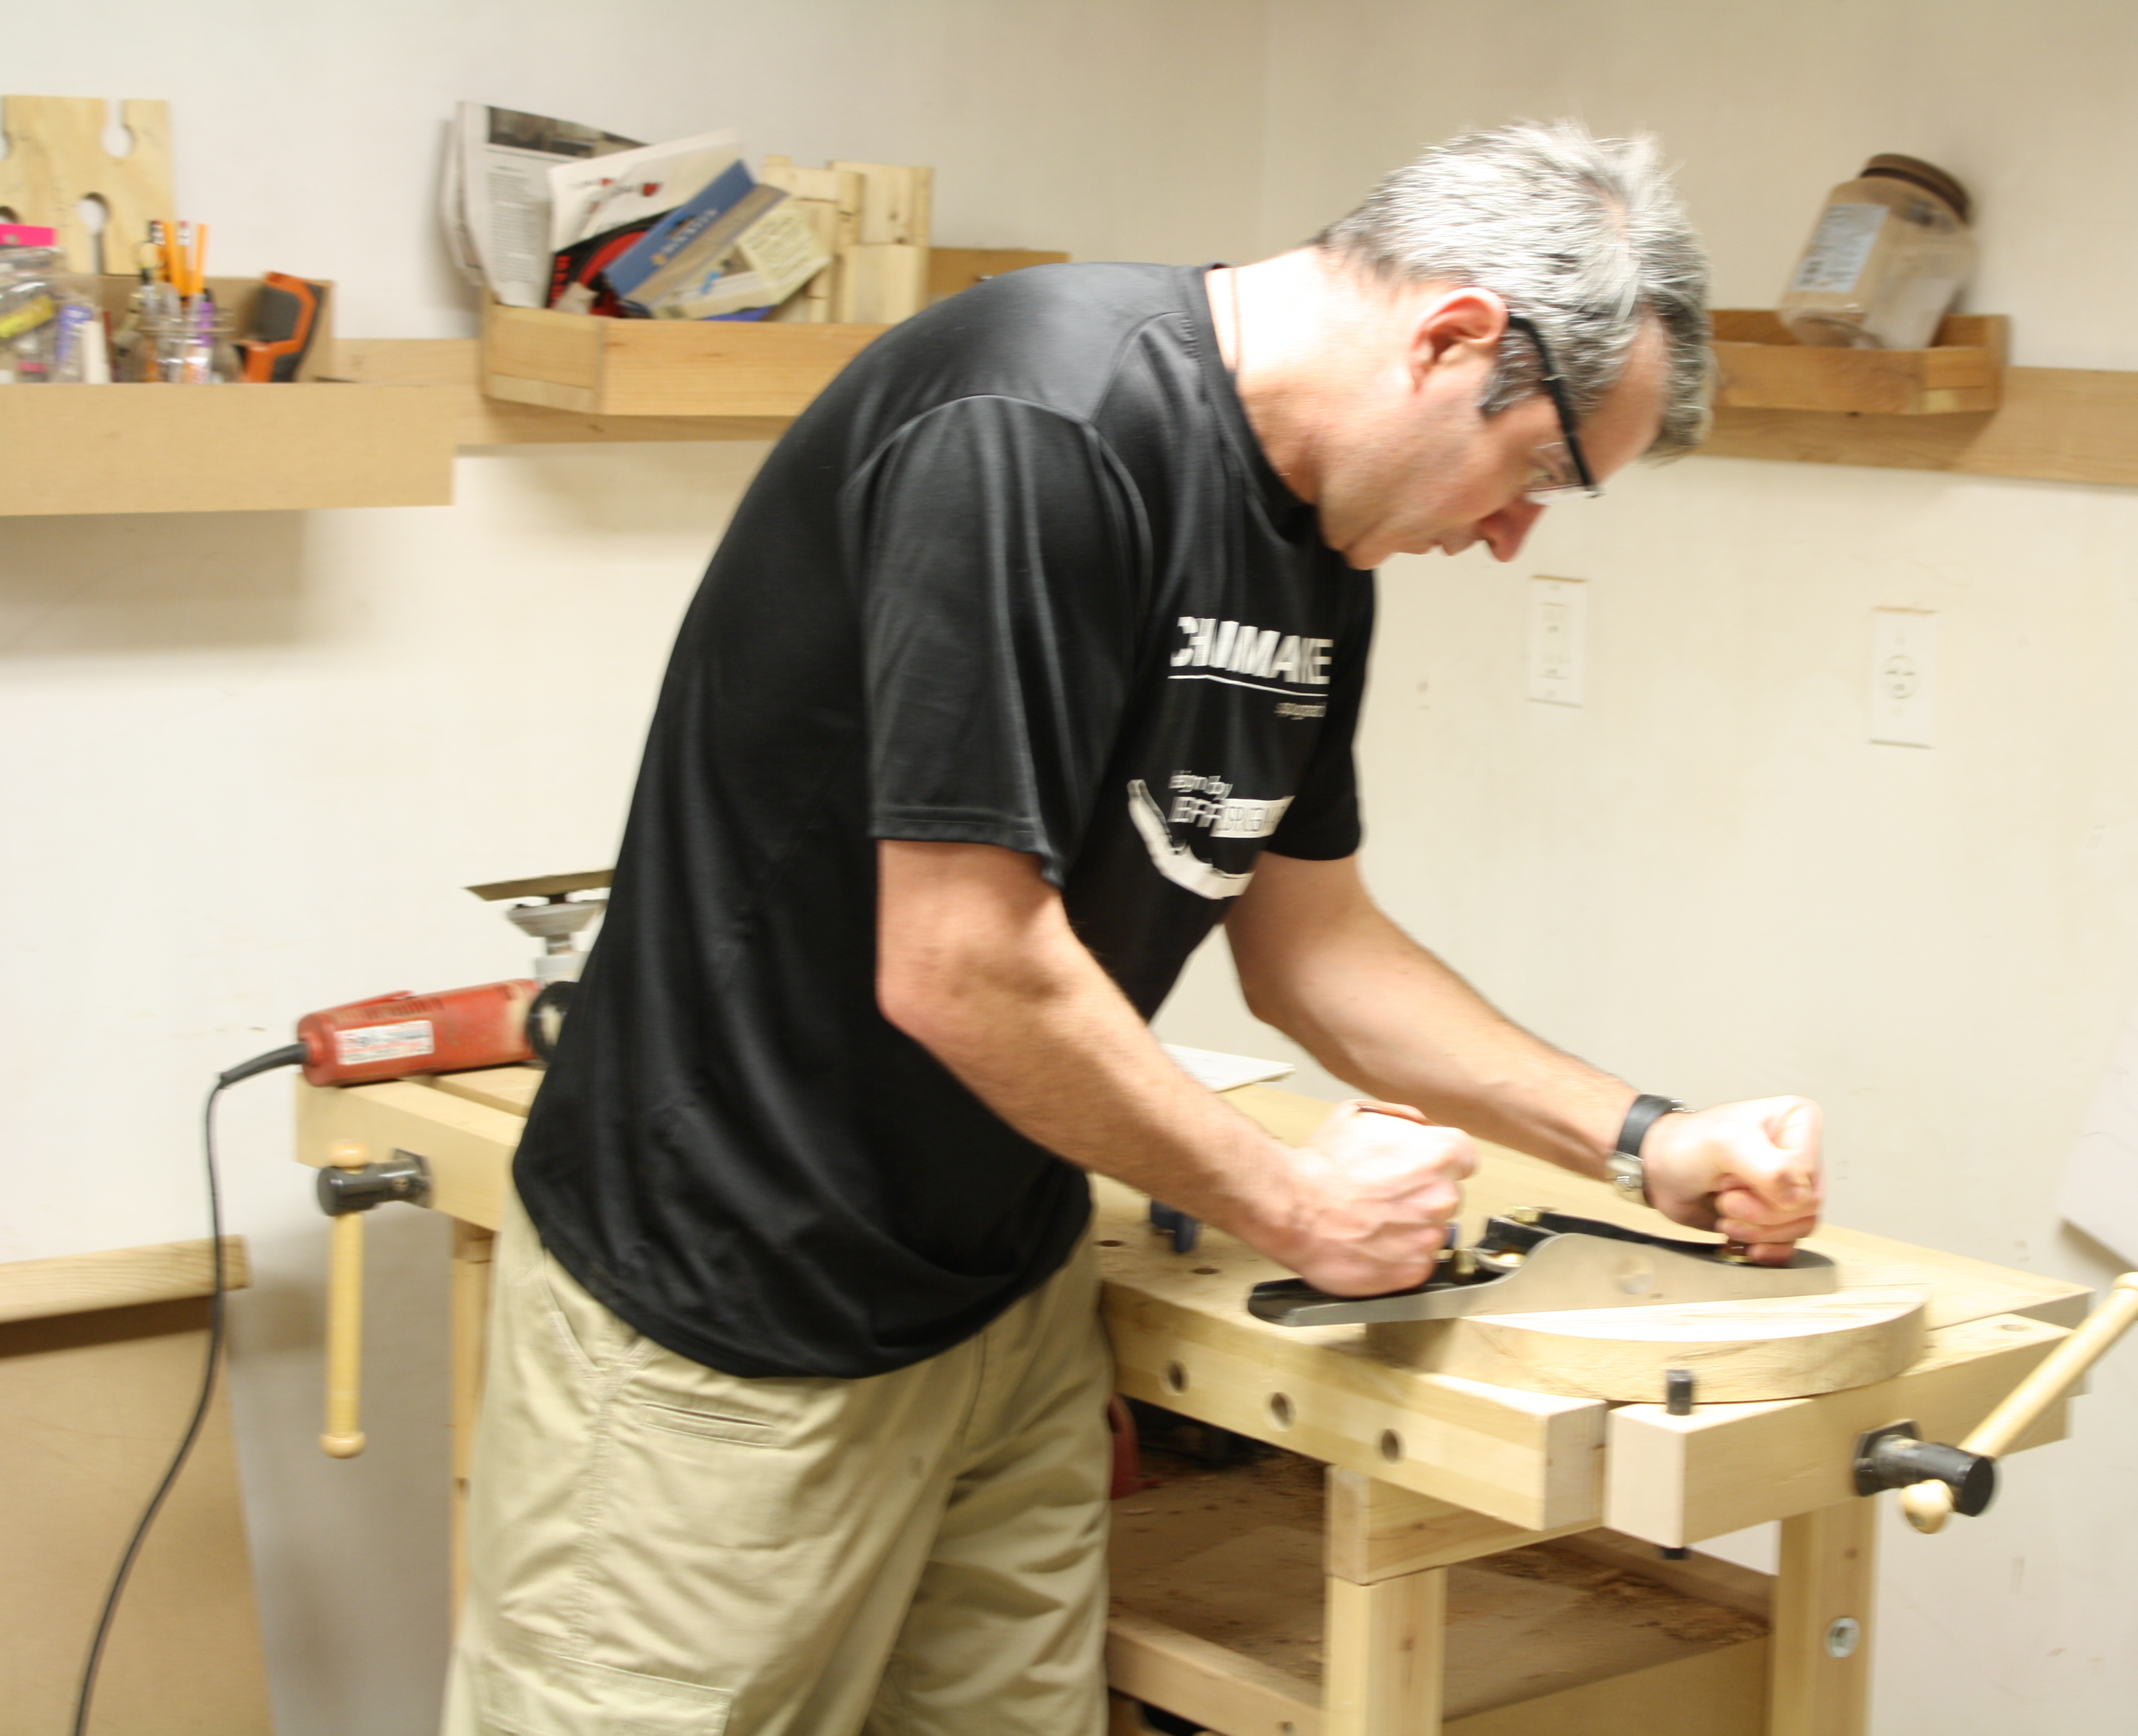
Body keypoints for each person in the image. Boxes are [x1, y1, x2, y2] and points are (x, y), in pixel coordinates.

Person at [442, 120, 1824, 1736]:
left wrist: (1639, 1137)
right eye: (1540, 473)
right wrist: (1295, 1205)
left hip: (999, 1300)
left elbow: (1316, 947)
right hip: (724, 1314)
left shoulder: (1321, 545)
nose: (1516, 536)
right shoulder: (1034, 426)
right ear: (1455, 341)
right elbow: (959, 960)